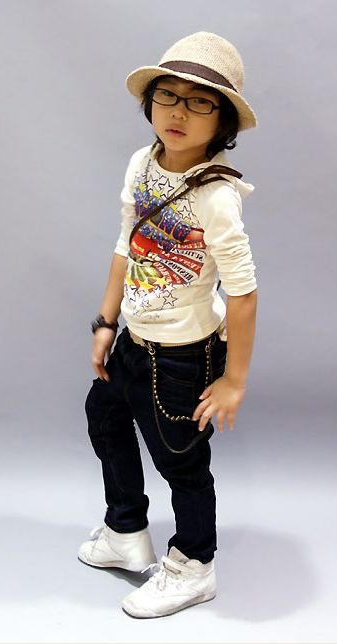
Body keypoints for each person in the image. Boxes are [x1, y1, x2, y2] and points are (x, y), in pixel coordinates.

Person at [78, 31, 258, 618]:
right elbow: (125, 245)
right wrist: (106, 322)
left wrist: (234, 380)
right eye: (167, 95)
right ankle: (126, 529)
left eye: (200, 102)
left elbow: (243, 292)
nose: (178, 112)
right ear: (150, 102)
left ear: (223, 120)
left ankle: (194, 565)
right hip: (134, 339)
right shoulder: (143, 163)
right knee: (104, 417)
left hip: (182, 356)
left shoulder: (217, 196)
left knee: (181, 459)